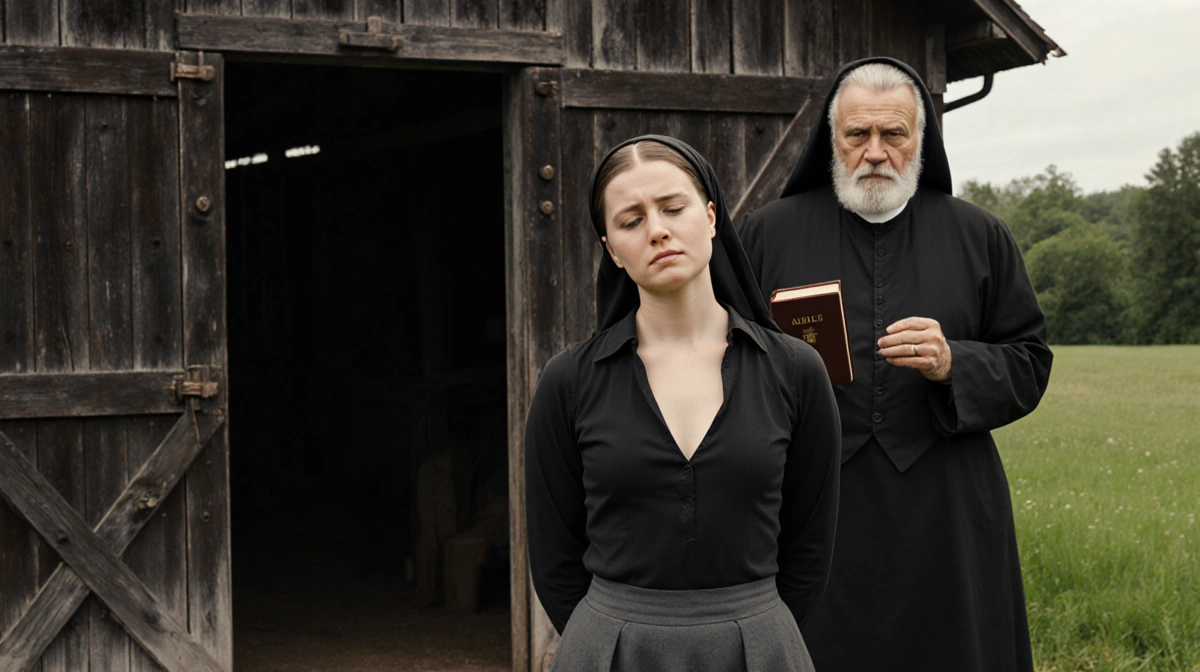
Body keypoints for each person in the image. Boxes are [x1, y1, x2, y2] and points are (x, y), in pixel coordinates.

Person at [740, 57, 1054, 671]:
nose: (875, 152)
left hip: (947, 511)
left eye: (894, 134)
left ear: (921, 140)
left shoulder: (981, 236)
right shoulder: (764, 236)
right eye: (858, 135)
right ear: (833, 141)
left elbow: (1029, 362)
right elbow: (723, 360)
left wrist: (952, 362)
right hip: (812, 504)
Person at [525, 135, 840, 671]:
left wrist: (757, 629)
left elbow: (810, 545)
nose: (658, 230)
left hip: (758, 647)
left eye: (673, 208)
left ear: (711, 217)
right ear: (611, 250)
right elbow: (554, 558)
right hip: (611, 650)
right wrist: (609, 634)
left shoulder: (795, 371)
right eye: (631, 221)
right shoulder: (569, 382)